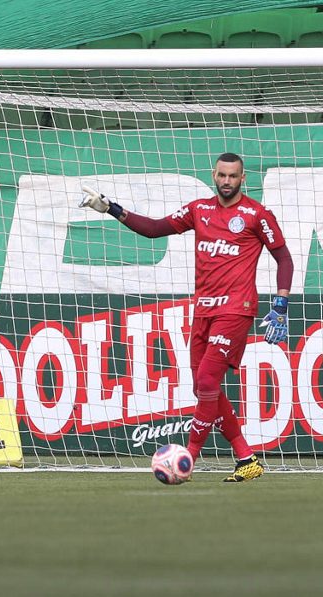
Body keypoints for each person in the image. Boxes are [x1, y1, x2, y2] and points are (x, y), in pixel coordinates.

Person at [79, 152, 294, 482]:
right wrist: (111, 208)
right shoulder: (199, 210)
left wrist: (280, 304)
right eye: (222, 175)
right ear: (214, 175)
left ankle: (187, 458)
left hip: (236, 309)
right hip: (203, 310)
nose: (227, 181)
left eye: (233, 176)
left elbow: (284, 258)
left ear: (242, 178)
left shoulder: (256, 214)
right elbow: (154, 229)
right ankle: (246, 458)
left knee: (207, 381)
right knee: (201, 387)